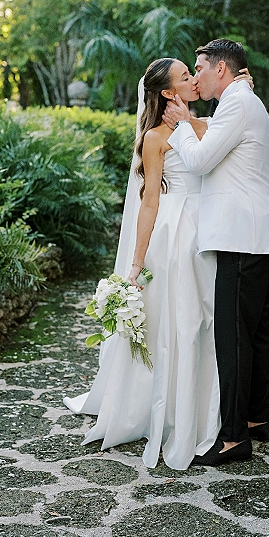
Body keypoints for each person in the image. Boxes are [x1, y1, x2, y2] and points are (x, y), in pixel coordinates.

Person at [63, 58, 222, 470]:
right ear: (168, 92)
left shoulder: (207, 124)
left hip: (208, 231)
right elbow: (149, 200)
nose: (194, 79)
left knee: (204, 320)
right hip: (174, 234)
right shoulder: (154, 137)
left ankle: (205, 408)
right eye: (185, 77)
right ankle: (166, 410)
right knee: (176, 321)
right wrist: (135, 263)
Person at [163, 39, 269, 467]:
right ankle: (257, 418)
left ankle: (234, 437)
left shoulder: (236, 103)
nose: (195, 76)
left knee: (233, 336)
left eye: (199, 68)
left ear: (221, 69)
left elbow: (199, 161)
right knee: (254, 331)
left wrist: (182, 124)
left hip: (241, 236)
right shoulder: (239, 102)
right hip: (254, 234)